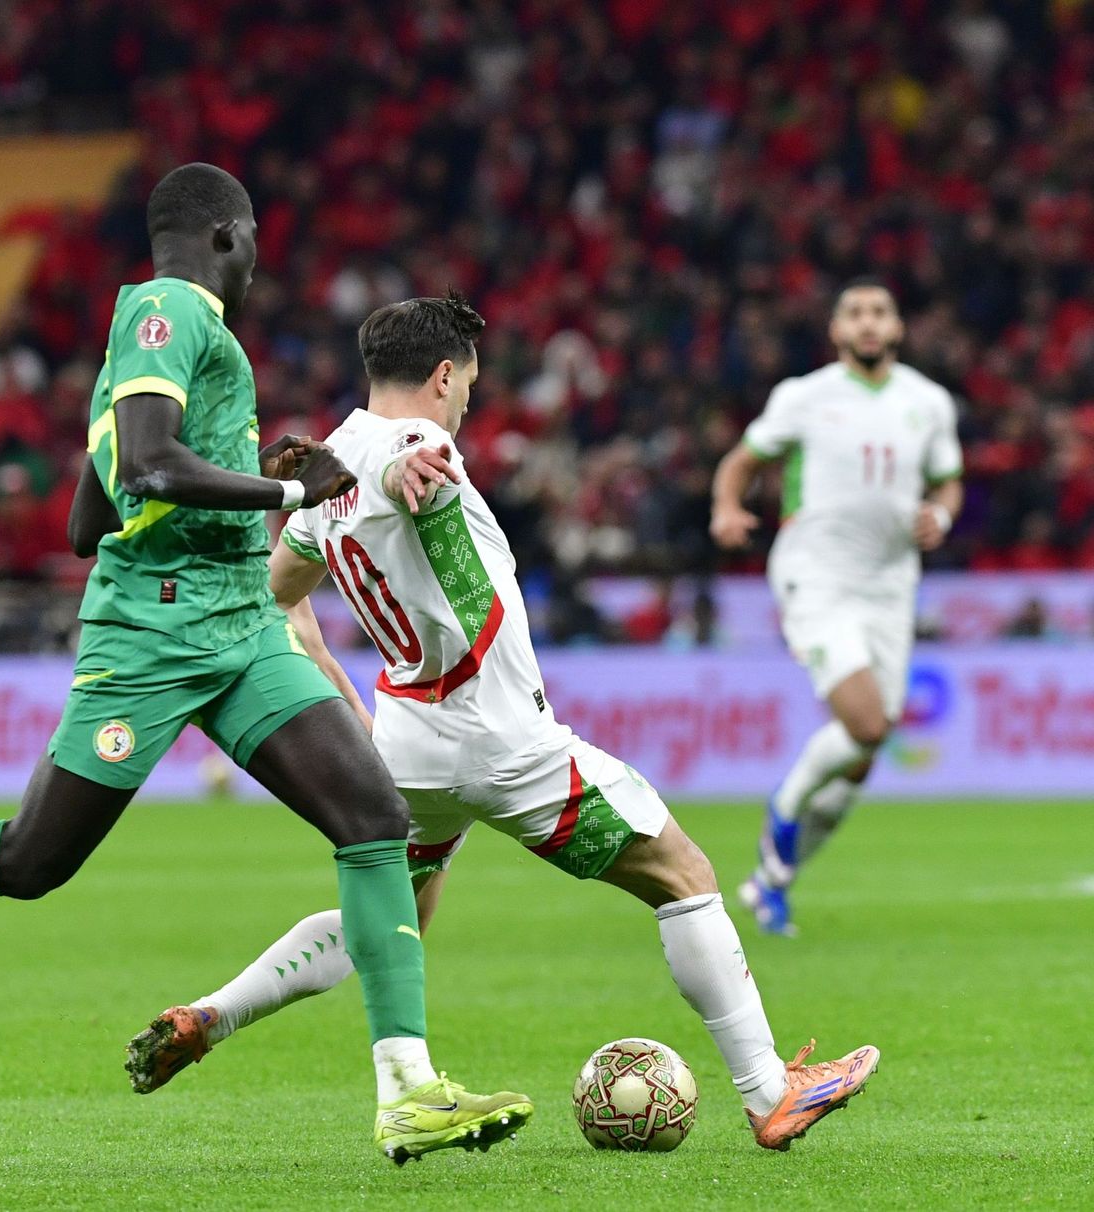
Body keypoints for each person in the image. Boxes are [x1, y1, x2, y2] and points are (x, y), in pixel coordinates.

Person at [0, 164, 529, 1165]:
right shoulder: (170, 310)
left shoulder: (153, 344)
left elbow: (92, 517)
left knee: (373, 819)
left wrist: (259, 479)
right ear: (223, 235)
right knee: (26, 862)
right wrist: (291, 495)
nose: (256, 256)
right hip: (155, 637)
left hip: (236, 624)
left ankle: (407, 1093)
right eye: (251, 236)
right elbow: (148, 467)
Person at [125, 293, 879, 1152]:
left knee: (390, 914)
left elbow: (275, 598)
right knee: (684, 873)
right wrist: (408, 476)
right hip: (499, 736)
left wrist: (339, 686)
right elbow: (416, 462)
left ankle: (213, 1016)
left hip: (407, 738)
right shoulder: (419, 448)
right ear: (444, 375)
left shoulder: (323, 469)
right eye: (469, 384)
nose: (468, 401)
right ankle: (770, 1091)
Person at [710, 278, 964, 936]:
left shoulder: (928, 402)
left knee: (860, 758)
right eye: (855, 313)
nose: (869, 322)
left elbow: (949, 481)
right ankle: (782, 815)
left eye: (881, 311)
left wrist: (940, 511)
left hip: (890, 585)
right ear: (837, 330)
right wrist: (727, 506)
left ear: (898, 326)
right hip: (816, 575)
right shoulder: (805, 397)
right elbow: (741, 461)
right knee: (868, 723)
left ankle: (771, 883)